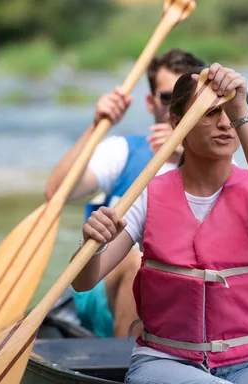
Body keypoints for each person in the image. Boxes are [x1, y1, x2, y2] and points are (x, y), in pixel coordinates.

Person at [72, 63, 248, 384]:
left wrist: (239, 104)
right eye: (211, 112)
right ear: (177, 124)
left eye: (229, 112)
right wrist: (92, 242)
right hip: (164, 362)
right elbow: (84, 281)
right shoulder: (147, 195)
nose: (225, 123)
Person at [45, 49, 205, 338]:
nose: (177, 107)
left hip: (183, 287)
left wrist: (190, 155)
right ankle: (127, 364)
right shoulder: (122, 150)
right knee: (138, 261)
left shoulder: (216, 161)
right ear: (150, 102)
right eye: (168, 97)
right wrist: (96, 125)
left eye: (190, 99)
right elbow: (57, 192)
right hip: (103, 280)